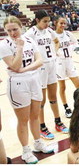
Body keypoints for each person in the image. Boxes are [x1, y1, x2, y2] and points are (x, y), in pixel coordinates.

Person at [0, 16, 54, 164]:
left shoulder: (30, 40)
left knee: (35, 116)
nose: (12, 33)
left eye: (15, 29)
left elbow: (39, 60)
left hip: (34, 79)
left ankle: (38, 143)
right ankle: (26, 150)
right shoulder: (4, 45)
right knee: (23, 120)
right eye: (9, 30)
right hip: (17, 84)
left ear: (21, 27)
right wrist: (19, 47)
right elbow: (15, 66)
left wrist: (25, 69)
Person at [24, 10, 68, 140]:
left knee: (53, 96)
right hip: (40, 69)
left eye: (48, 21)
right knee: (41, 100)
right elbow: (24, 48)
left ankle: (58, 122)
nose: (47, 24)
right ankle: (42, 127)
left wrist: (55, 51)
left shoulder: (49, 31)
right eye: (44, 21)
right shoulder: (31, 33)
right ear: (37, 20)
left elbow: (56, 41)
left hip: (51, 65)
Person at [54, 16, 79, 118]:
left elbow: (75, 42)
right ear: (56, 23)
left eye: (64, 23)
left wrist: (71, 48)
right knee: (62, 87)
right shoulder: (53, 36)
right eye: (61, 23)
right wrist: (56, 52)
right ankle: (66, 107)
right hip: (59, 63)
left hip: (69, 61)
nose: (63, 25)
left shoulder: (68, 34)